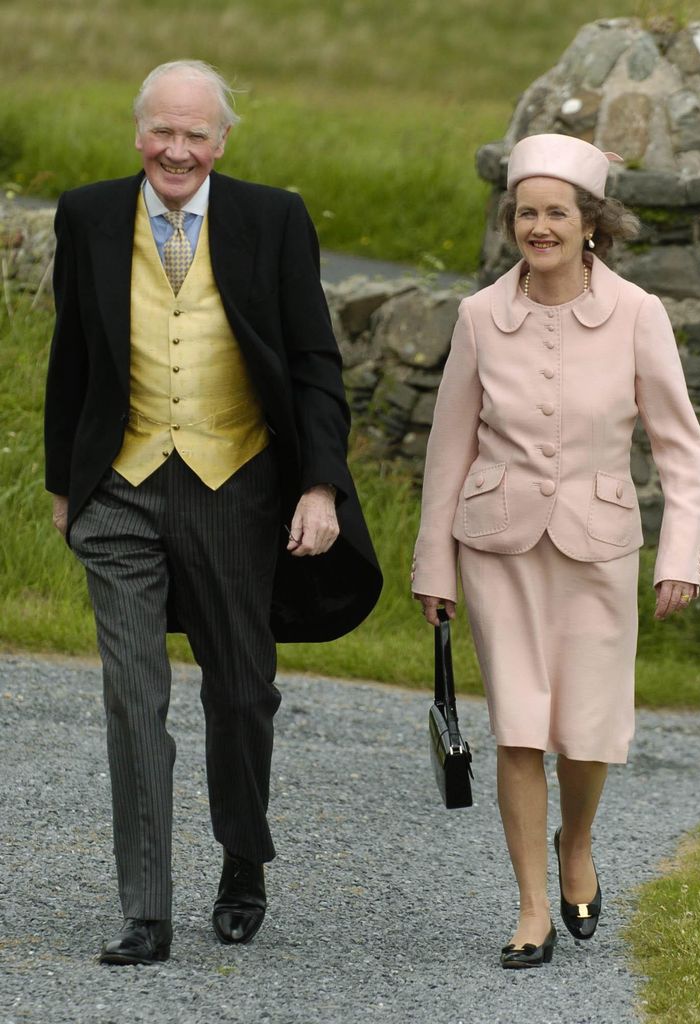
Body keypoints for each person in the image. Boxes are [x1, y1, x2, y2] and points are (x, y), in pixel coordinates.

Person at [44, 59, 382, 966]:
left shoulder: (272, 218)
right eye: (164, 131)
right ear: (138, 132)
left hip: (235, 483)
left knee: (239, 690)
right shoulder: (86, 213)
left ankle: (242, 863)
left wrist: (319, 487)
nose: (178, 149)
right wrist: (62, 485)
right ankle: (145, 911)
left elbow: (315, 364)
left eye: (197, 134)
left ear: (223, 142)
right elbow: (71, 353)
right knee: (132, 695)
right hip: (118, 486)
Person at [412, 134, 700, 969]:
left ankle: (576, 842)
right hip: (496, 547)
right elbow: (448, 452)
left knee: (585, 734)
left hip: (599, 548)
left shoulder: (640, 314)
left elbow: (681, 448)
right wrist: (433, 565)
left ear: (591, 226)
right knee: (518, 728)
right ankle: (532, 908)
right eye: (525, 213)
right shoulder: (479, 317)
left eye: (556, 213)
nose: (538, 227)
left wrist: (680, 553)